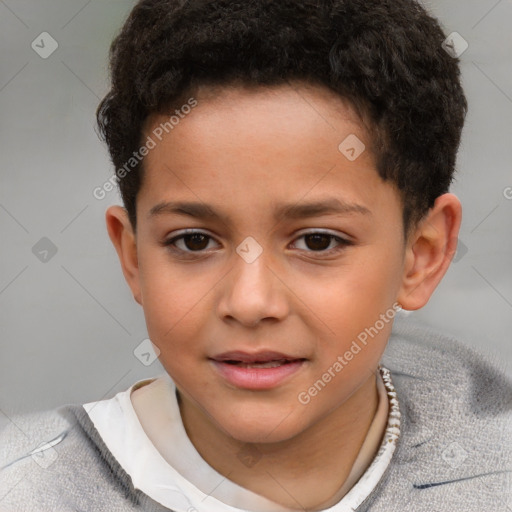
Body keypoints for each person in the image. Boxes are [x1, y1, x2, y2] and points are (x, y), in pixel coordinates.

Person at [1, 0, 511, 510]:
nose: (250, 302)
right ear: (132, 256)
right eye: (194, 241)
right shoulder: (25, 485)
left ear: (422, 256)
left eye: (317, 241)